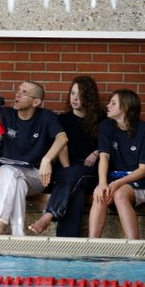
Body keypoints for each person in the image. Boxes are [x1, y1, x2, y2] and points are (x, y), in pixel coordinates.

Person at [0, 81, 68, 236]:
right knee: (16, 180)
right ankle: (18, 234)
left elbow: (62, 138)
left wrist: (47, 160)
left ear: (36, 102)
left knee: (9, 172)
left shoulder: (46, 117)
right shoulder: (7, 114)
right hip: (13, 177)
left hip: (36, 177)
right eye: (18, 90)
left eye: (24, 92)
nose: (18, 94)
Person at [29, 76, 105, 237]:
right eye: (72, 93)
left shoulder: (102, 120)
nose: (75, 98)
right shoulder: (62, 120)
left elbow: (110, 144)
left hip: (92, 172)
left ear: (89, 97)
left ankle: (49, 214)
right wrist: (68, 170)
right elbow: (61, 146)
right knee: (76, 190)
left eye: (80, 94)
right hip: (67, 169)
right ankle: (68, 244)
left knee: (74, 177)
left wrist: (96, 151)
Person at [88, 89, 145, 240]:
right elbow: (104, 158)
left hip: (140, 180)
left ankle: (133, 245)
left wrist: (118, 183)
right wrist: (102, 183)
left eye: (113, 103)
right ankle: (92, 244)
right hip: (114, 178)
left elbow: (144, 170)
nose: (108, 106)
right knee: (100, 194)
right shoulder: (106, 126)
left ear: (125, 107)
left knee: (120, 195)